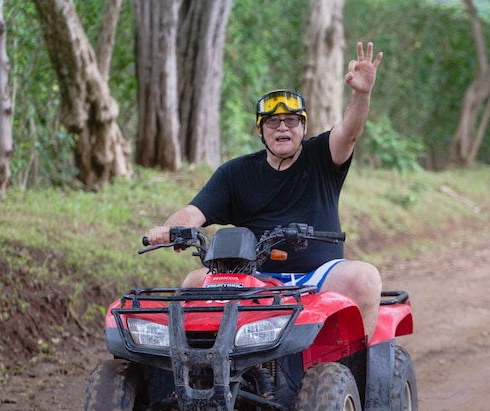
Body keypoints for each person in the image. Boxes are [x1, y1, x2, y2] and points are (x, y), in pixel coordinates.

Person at [147, 41, 384, 340]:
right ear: (260, 130)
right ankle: (201, 377)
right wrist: (171, 229)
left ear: (303, 128)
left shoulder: (323, 155)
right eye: (272, 121)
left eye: (292, 121)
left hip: (320, 275)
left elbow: (350, 132)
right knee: (194, 284)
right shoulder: (235, 172)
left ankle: (353, 377)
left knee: (365, 278)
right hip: (252, 279)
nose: (282, 128)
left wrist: (361, 94)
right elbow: (195, 211)